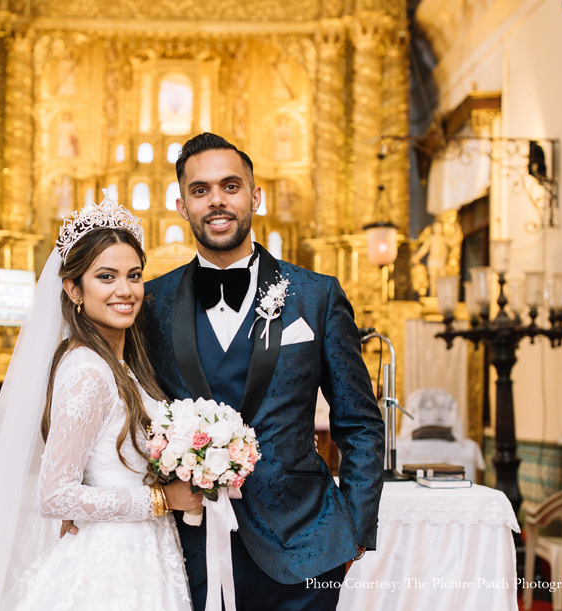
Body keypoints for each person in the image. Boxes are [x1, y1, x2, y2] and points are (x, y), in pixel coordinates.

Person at [143, 132, 385, 610]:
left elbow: (359, 420)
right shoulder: (151, 302)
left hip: (303, 547)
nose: (217, 200)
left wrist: (355, 528)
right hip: (186, 550)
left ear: (256, 196)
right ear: (181, 205)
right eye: (200, 190)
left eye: (231, 186)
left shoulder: (316, 296)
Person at [0, 193, 199, 611]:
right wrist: (162, 499)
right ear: (74, 288)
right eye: (106, 277)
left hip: (140, 549)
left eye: (134, 275)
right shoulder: (88, 369)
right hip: (110, 565)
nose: (125, 290)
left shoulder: (122, 364)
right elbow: (55, 494)